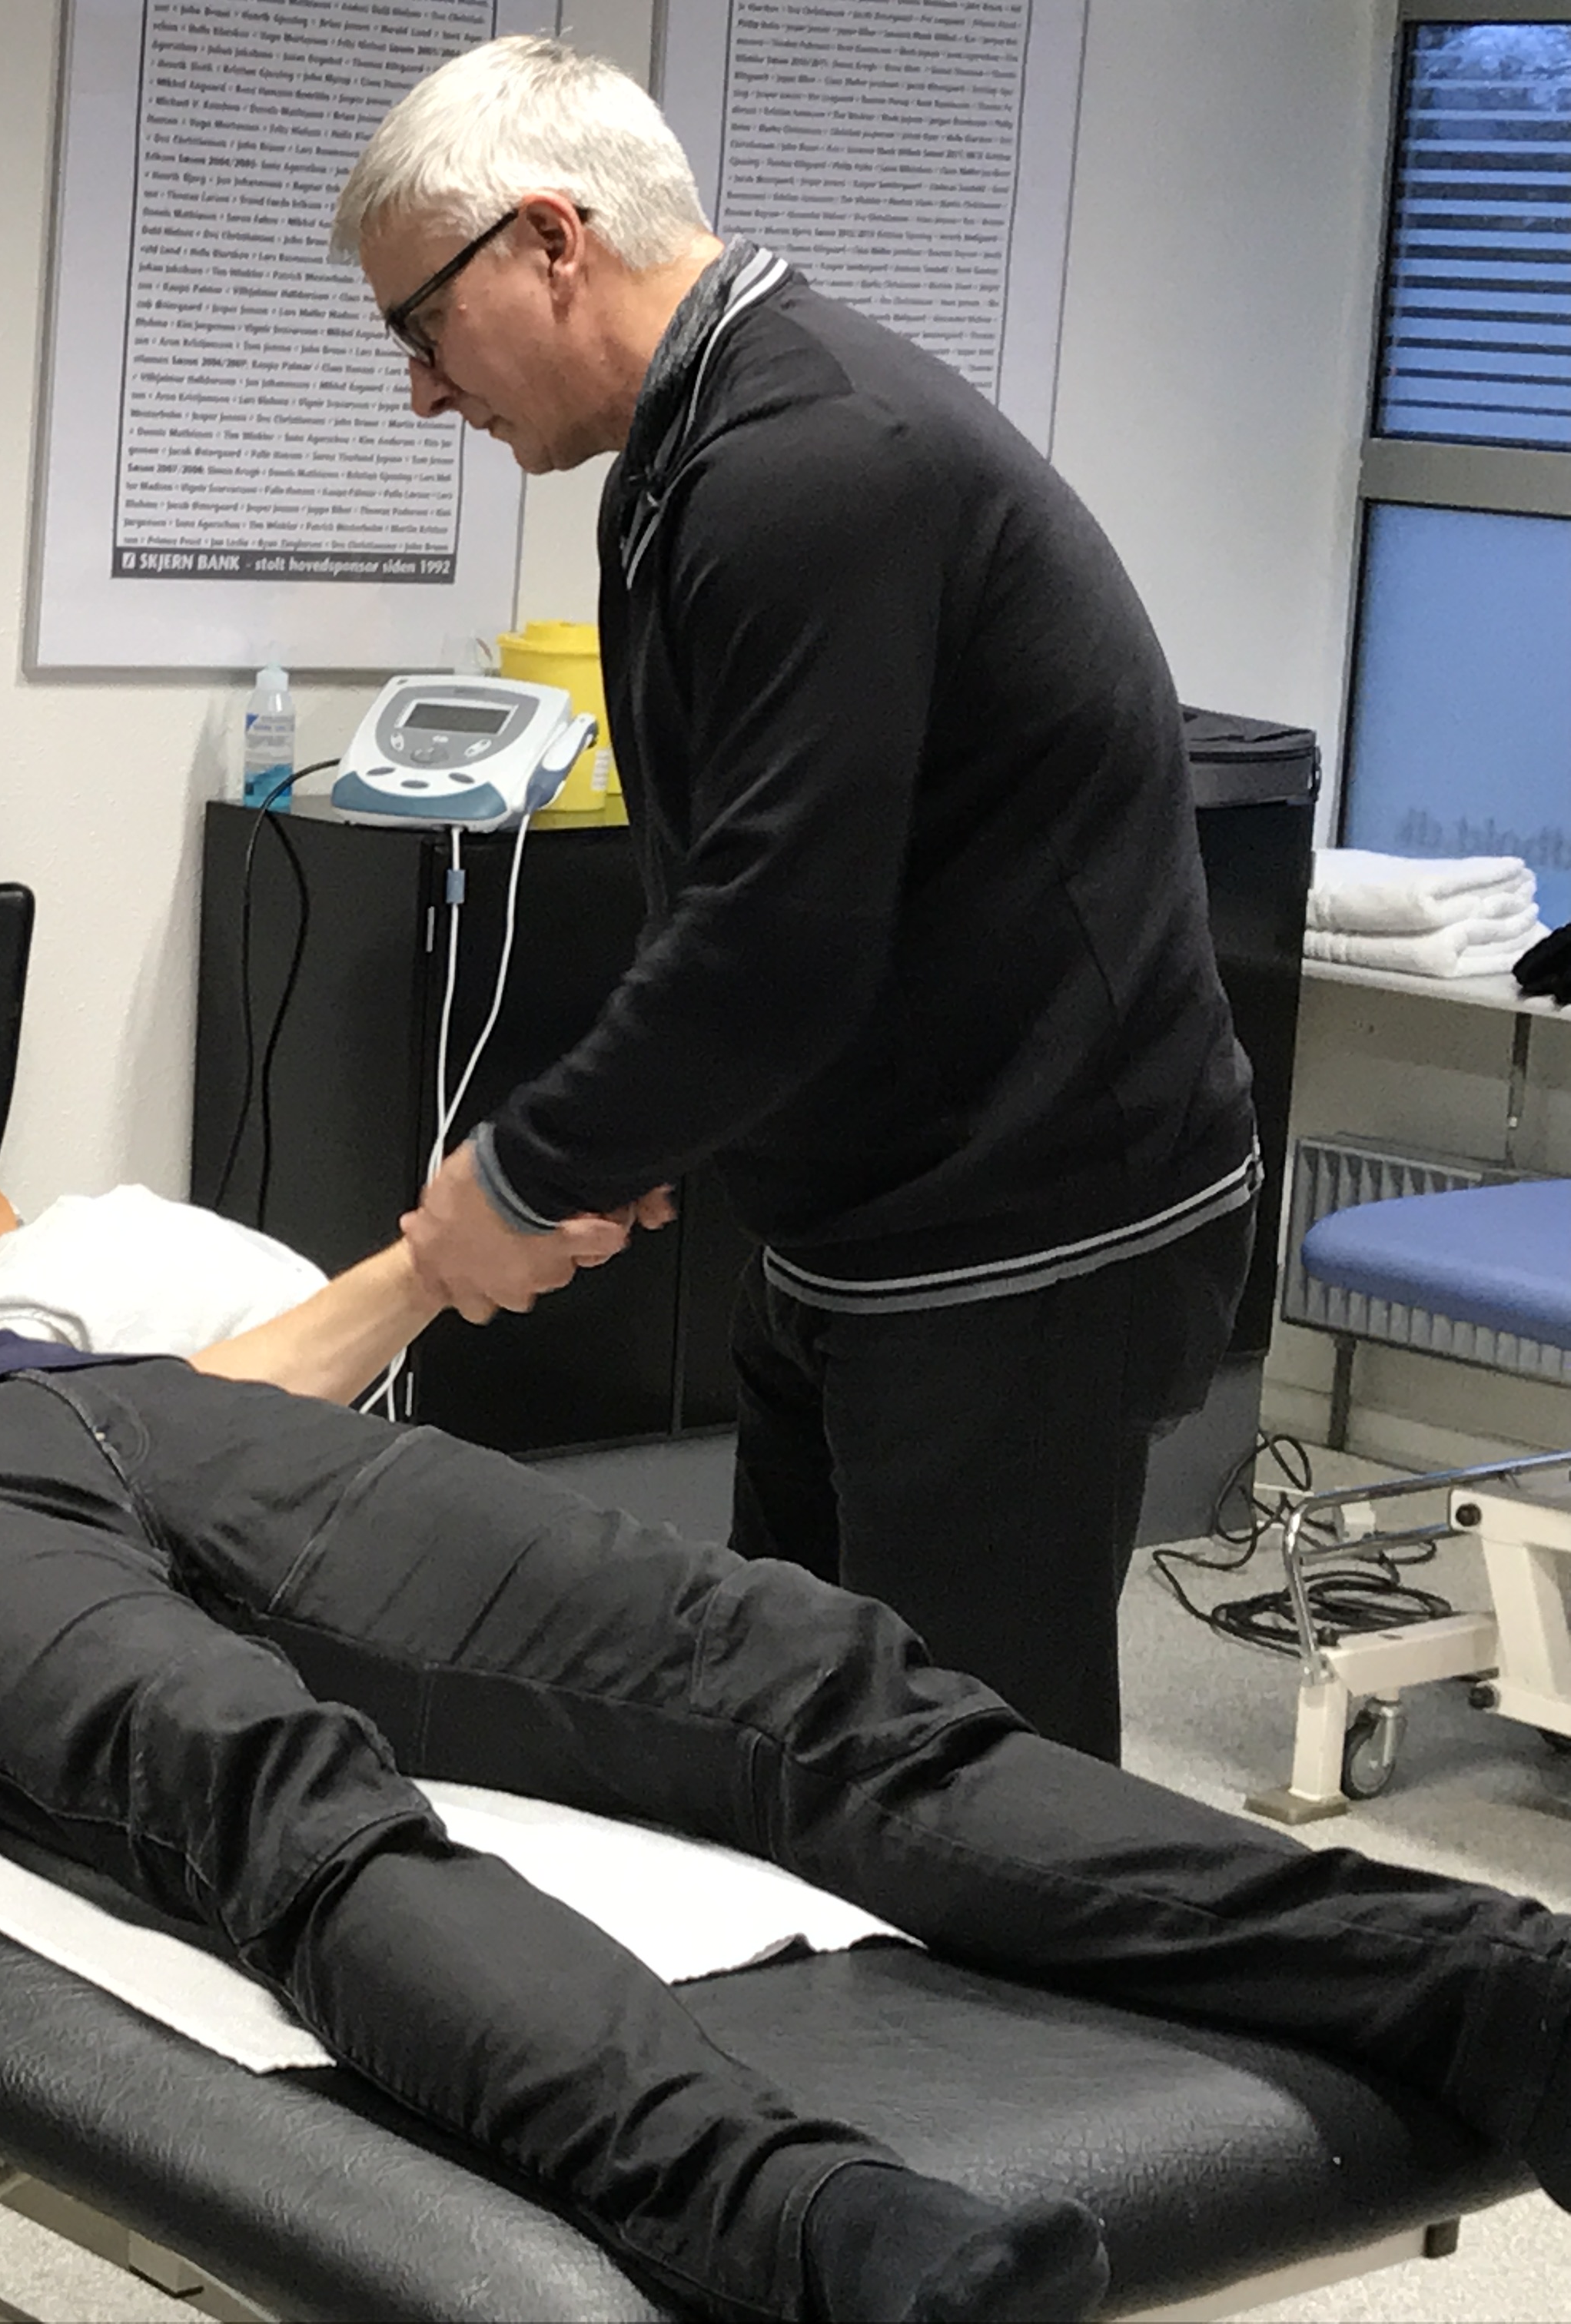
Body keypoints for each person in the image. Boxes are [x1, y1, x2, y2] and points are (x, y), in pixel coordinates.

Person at [0, 1024, 1571, 2324]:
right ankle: (816, 2233)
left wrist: (418, 1279)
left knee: (788, 1664)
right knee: (269, 1794)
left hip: (100, 1405)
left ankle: (1472, 1986)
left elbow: (214, 1386)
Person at [340, 38, 1257, 1762]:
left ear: (552, 240)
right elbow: (742, 873)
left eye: (423, 327)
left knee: (978, 1780)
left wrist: (525, 1175)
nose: (422, 393)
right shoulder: (690, 457)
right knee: (801, 1720)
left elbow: (781, 934)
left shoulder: (810, 463)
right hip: (861, 1204)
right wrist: (652, 1128)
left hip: (1024, 1221)